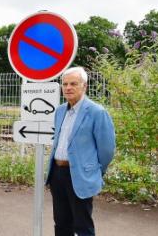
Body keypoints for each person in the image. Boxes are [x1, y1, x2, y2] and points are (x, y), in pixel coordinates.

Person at [46, 67, 116, 236]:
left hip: (80, 175)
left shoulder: (97, 112)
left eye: (73, 84)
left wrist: (94, 171)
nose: (68, 87)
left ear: (84, 86)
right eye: (65, 84)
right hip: (58, 173)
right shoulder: (60, 110)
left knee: (83, 226)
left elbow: (107, 150)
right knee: (61, 223)